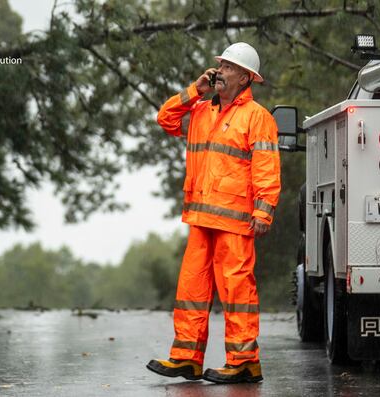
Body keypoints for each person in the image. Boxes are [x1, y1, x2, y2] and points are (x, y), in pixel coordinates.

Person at [146, 42, 281, 384]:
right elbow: (165, 117)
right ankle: (186, 358)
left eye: (229, 67)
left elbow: (267, 169)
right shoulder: (201, 112)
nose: (221, 71)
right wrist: (196, 90)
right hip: (200, 218)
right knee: (192, 288)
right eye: (220, 64)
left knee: (238, 292)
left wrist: (263, 212)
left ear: (246, 78)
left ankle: (245, 362)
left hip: (235, 220)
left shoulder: (257, 118)